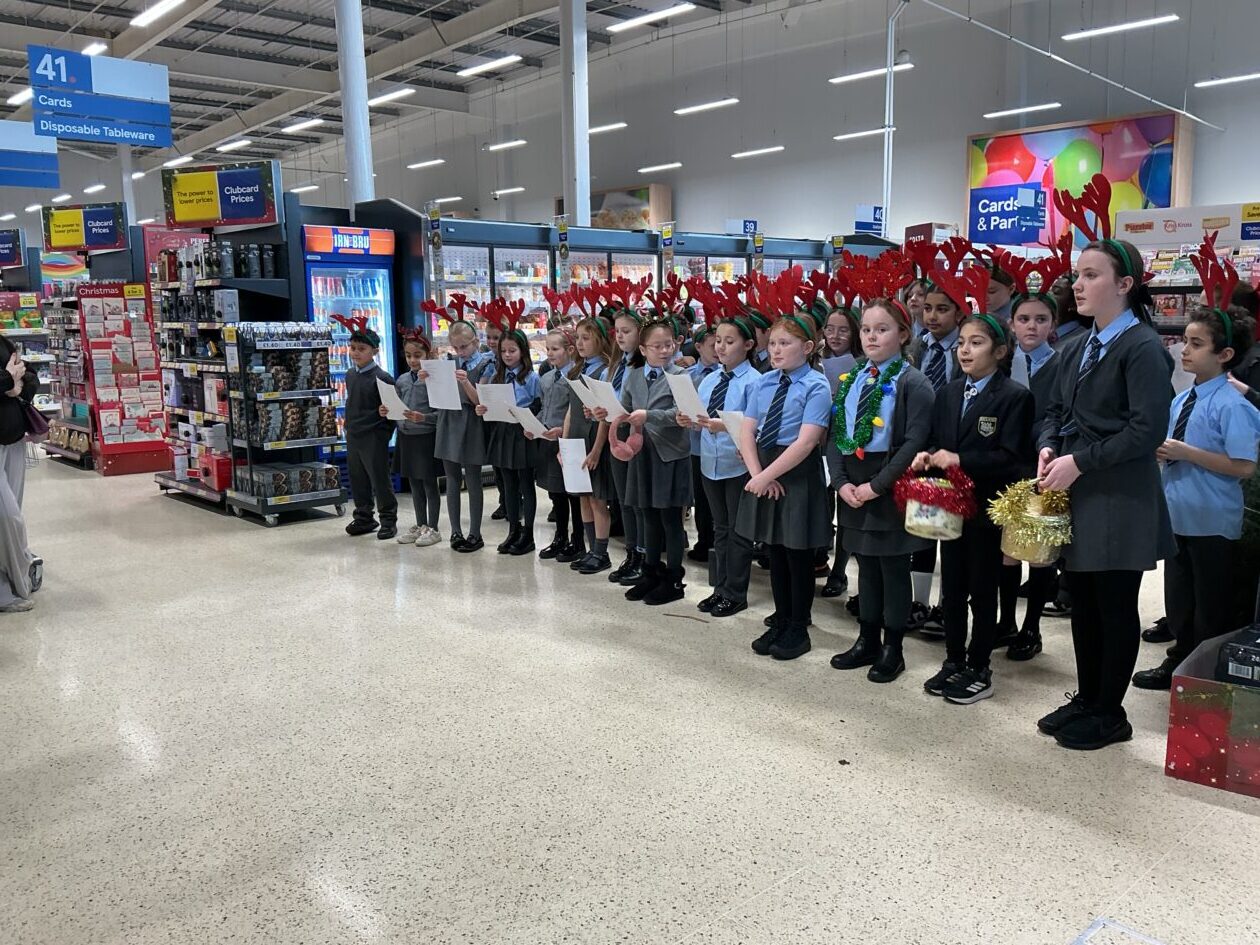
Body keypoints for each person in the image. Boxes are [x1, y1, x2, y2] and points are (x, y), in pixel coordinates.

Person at [1037, 236, 1176, 750]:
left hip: (1120, 496)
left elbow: (1146, 431)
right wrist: (1050, 447)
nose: (1078, 284)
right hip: (1080, 491)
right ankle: (1088, 697)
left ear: (1124, 284)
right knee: (1085, 601)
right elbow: (1055, 411)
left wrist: (1080, 461)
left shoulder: (1142, 348)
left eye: (1091, 275)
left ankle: (1111, 713)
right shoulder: (1077, 346)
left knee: (1114, 605)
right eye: (1078, 274)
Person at [1132, 292, 1260, 690]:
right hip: (1178, 513)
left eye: (1196, 343)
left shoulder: (1233, 405)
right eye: (1185, 341)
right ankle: (1179, 660)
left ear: (1224, 355)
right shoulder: (1184, 398)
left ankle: (1205, 676)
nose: (1184, 350)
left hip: (1212, 519)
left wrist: (1187, 453)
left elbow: (1244, 466)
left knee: (1210, 605)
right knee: (1180, 600)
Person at [913, 309, 1035, 704]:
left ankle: (979, 666)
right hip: (950, 509)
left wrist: (960, 459)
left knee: (982, 592)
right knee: (951, 589)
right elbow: (938, 441)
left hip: (987, 510)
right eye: (962, 343)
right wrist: (928, 457)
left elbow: (1014, 459)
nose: (965, 350)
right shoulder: (949, 393)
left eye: (976, 343)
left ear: (999, 351)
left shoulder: (1015, 397)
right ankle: (953, 659)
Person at [828, 297, 935, 681]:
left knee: (892, 569)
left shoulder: (913, 382)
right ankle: (867, 638)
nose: (871, 336)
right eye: (866, 329)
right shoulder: (853, 377)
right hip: (853, 482)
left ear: (903, 334)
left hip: (889, 484)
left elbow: (913, 442)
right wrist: (841, 482)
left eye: (882, 329)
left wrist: (876, 486)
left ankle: (894, 648)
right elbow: (836, 432)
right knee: (866, 565)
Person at [737, 282, 834, 661]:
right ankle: (781, 616)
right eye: (773, 343)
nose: (776, 350)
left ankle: (798, 624)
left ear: (807, 348)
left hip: (796, 472)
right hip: (764, 468)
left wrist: (765, 477)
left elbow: (806, 442)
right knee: (774, 548)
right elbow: (747, 430)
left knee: (797, 551)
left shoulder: (816, 385)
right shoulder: (763, 382)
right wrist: (758, 473)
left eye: (786, 343)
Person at [601, 318, 693, 605]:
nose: (664, 351)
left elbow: (683, 413)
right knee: (648, 516)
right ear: (643, 349)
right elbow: (626, 409)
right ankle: (650, 573)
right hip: (642, 454)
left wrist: (649, 416)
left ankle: (673, 579)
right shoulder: (634, 375)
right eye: (657, 346)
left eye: (669, 345)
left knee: (671, 520)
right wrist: (606, 413)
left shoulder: (681, 375)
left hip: (670, 455)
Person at [680, 304, 759, 618]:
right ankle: (720, 588)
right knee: (720, 527)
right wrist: (690, 420)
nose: (721, 347)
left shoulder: (755, 381)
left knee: (739, 531)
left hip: (738, 464)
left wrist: (722, 425)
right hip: (710, 461)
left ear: (748, 345)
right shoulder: (710, 379)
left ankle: (736, 592)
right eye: (718, 342)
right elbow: (701, 416)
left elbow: (756, 426)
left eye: (729, 341)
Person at [1001, 291, 1062, 660]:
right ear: (1011, 323)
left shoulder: (1061, 364)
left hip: (1043, 467)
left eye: (1041, 319)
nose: (1032, 326)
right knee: (1007, 553)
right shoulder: (1003, 361)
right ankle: (1006, 621)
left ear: (1052, 324)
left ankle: (1032, 627)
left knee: (1039, 553)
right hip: (1004, 466)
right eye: (1024, 319)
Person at [906, 280, 966, 634]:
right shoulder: (916, 347)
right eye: (927, 308)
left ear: (958, 313)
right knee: (923, 525)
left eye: (942, 309)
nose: (932, 316)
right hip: (920, 444)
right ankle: (919, 601)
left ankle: (948, 605)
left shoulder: (966, 346)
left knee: (953, 530)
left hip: (954, 445)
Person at [480, 313, 542, 556]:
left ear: (522, 351)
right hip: (503, 432)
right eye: (503, 351)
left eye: (512, 351)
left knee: (526, 484)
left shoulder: (532, 378)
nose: (507, 355)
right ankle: (513, 529)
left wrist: (527, 415)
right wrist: (483, 408)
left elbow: (538, 404)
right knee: (508, 485)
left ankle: (528, 533)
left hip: (522, 433)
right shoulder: (497, 376)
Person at [434, 308, 494, 552]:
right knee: (451, 478)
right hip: (448, 418)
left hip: (471, 422)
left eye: (464, 347)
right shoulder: (449, 362)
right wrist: (429, 378)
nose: (460, 352)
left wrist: (465, 381)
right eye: (456, 347)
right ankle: (455, 531)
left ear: (476, 342)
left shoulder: (487, 364)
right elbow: (437, 394)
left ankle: (475, 533)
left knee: (473, 478)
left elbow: (480, 399)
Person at [335, 315, 398, 540]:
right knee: (358, 478)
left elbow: (392, 412)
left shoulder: (382, 378)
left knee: (379, 479)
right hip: (354, 434)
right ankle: (364, 517)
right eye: (353, 348)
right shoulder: (350, 375)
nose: (355, 353)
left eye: (361, 349)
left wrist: (382, 434)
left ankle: (388, 520)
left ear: (375, 351)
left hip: (373, 436)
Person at [562, 315, 614, 573]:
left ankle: (601, 552)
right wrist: (564, 443)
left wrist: (596, 451)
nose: (580, 343)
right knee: (583, 496)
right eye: (578, 338)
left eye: (586, 338)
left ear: (600, 340)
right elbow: (571, 410)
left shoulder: (604, 371)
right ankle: (590, 548)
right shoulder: (576, 370)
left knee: (597, 499)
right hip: (576, 439)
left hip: (594, 439)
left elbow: (604, 417)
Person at [531, 328, 583, 561]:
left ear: (569, 350)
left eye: (555, 349)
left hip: (568, 441)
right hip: (549, 442)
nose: (550, 353)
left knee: (573, 494)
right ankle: (560, 536)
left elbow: (576, 412)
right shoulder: (546, 378)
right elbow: (545, 407)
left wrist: (563, 429)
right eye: (548, 349)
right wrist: (534, 425)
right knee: (556, 493)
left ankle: (578, 539)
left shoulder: (575, 378)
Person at [820, 303, 861, 599]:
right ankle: (819, 556)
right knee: (823, 505)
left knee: (845, 507)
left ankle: (840, 571)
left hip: (848, 440)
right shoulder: (815, 361)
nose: (835, 336)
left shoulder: (863, 364)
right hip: (817, 440)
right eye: (830, 329)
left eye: (843, 330)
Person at [388, 330, 442, 547]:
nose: (412, 360)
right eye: (409, 356)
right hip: (406, 436)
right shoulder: (402, 380)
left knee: (429, 483)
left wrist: (424, 418)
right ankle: (420, 524)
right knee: (414, 484)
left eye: (418, 355)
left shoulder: (434, 380)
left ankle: (433, 528)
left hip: (426, 437)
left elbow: (443, 414)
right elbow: (396, 405)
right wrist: (388, 410)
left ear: (428, 354)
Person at [606, 307, 647, 585]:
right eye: (617, 331)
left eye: (627, 331)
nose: (620, 336)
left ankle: (642, 555)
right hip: (615, 431)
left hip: (635, 434)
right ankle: (631, 552)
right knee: (624, 499)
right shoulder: (618, 363)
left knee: (636, 501)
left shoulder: (642, 366)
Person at [0, 338, 39, 613]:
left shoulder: (3, 341)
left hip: (12, 439)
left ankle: (15, 580)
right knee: (8, 517)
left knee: (13, 515)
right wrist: (7, 380)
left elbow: (30, 375)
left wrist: (18, 386)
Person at [686, 323, 720, 563]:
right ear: (698, 347)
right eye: (712, 345)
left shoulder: (722, 375)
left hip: (720, 443)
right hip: (695, 445)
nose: (718, 349)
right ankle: (704, 539)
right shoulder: (688, 376)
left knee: (716, 499)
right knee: (700, 496)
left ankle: (718, 542)